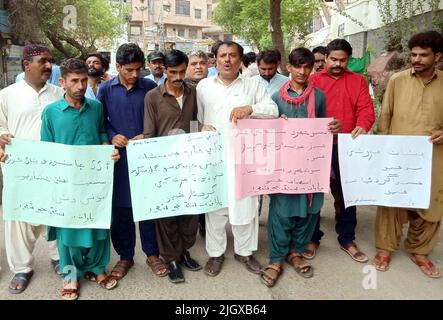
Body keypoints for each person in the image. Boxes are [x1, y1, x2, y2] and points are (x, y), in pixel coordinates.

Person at [197, 40, 278, 277]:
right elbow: (193, 119)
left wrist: (250, 109)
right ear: (215, 59)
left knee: (246, 206)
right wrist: (200, 126)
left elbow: (272, 110)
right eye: (222, 55)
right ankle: (215, 253)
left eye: (232, 55)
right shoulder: (203, 86)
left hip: (246, 157)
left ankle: (244, 252)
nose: (227, 60)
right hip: (214, 157)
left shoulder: (252, 86)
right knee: (215, 208)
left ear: (240, 59)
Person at [260, 48, 340, 287]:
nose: (302, 72)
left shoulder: (320, 97)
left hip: (310, 165)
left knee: (309, 210)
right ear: (289, 68)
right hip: (284, 167)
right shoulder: (275, 98)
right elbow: (265, 131)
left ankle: (295, 252)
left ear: (312, 68)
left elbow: (322, 129)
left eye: (307, 67)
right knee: (281, 213)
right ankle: (276, 258)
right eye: (297, 67)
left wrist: (332, 127)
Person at [40, 58, 120, 300]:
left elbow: (101, 134)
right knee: (68, 233)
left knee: (98, 225)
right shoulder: (51, 112)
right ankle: (71, 275)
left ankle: (97, 269)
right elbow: (46, 149)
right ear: (62, 82)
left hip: (95, 180)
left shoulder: (95, 107)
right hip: (66, 183)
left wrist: (109, 151)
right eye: (74, 81)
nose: (80, 85)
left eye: (84, 80)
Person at [372, 31, 443, 279]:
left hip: (435, 156)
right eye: (413, 54)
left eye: (424, 55)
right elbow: (386, 116)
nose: (417, 59)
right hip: (398, 155)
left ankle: (420, 251)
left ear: (438, 56)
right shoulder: (398, 80)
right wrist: (382, 148)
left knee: (432, 202)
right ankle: (384, 249)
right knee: (391, 200)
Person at [97, 43, 168, 280]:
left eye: (139, 69)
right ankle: (125, 256)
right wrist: (110, 135)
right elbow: (100, 121)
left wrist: (148, 135)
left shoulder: (149, 87)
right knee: (122, 209)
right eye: (129, 70)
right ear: (117, 67)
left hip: (146, 158)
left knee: (147, 205)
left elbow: (159, 119)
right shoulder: (106, 90)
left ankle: (152, 253)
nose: (135, 74)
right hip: (118, 159)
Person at [0, 44, 63, 294]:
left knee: (55, 212)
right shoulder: (7, 95)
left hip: (53, 167)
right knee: (19, 219)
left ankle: (59, 258)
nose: (49, 66)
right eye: (43, 61)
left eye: (50, 61)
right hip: (19, 169)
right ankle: (22, 268)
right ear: (27, 65)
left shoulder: (59, 93)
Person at [308, 39, 375, 262]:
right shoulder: (313, 80)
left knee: (347, 194)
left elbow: (366, 108)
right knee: (314, 192)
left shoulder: (358, 81)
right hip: (317, 145)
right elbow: (305, 111)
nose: (337, 64)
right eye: (333, 59)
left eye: (342, 60)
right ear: (325, 58)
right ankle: (312, 237)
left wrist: (363, 125)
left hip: (347, 146)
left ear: (349, 60)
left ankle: (347, 238)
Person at [144, 49, 202, 283]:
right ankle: (172, 259)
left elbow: (195, 121)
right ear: (164, 71)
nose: (178, 77)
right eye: (173, 72)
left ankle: (184, 251)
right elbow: (149, 133)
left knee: (189, 213)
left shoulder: (193, 92)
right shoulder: (152, 97)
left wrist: (198, 144)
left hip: (190, 162)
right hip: (164, 165)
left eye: (181, 71)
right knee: (167, 214)